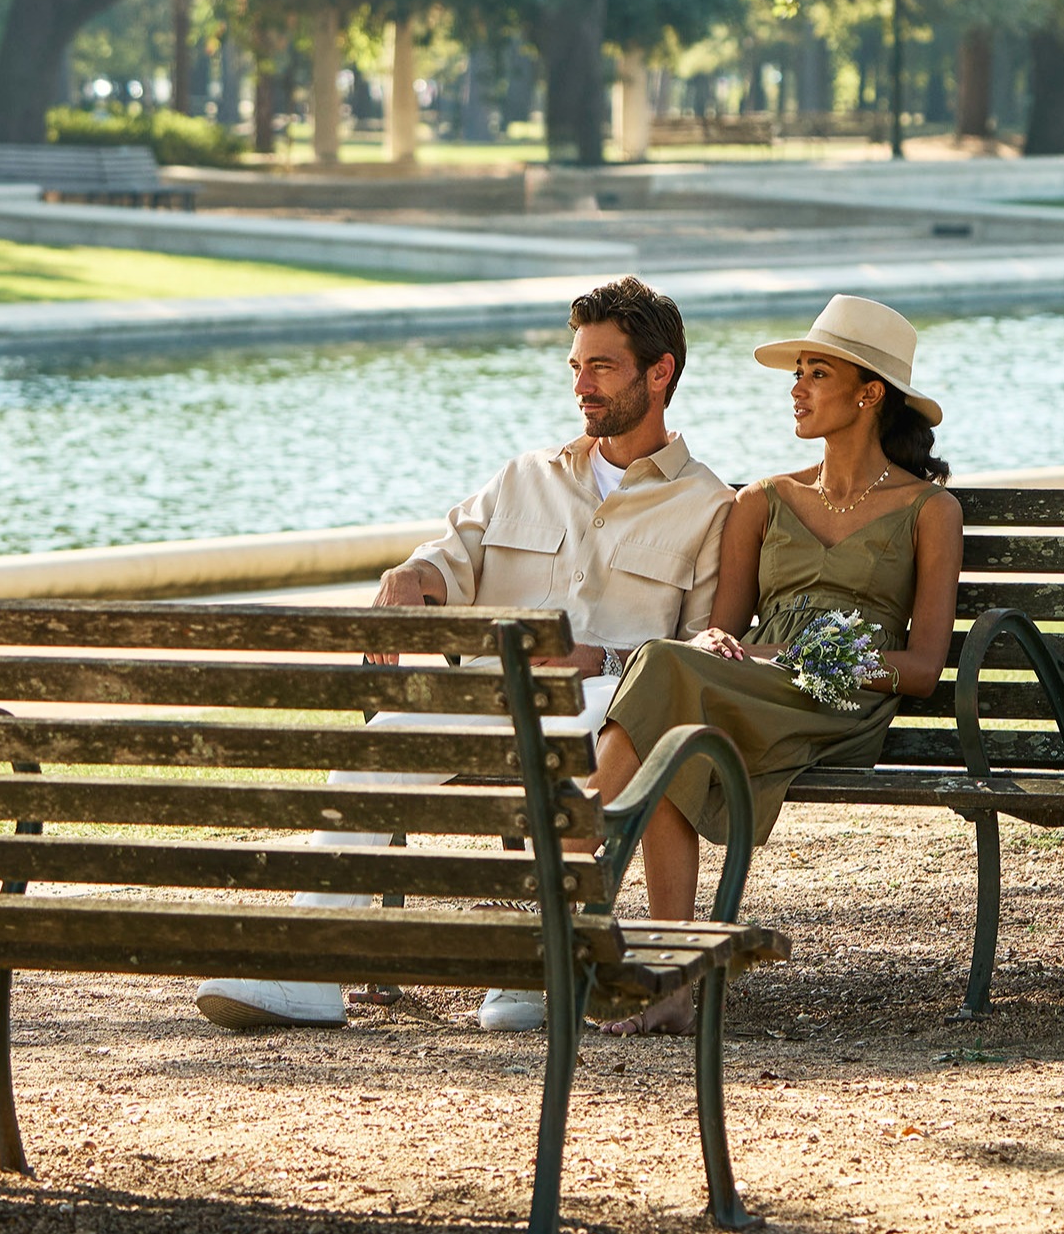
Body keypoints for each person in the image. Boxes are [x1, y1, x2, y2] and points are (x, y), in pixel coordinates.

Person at [195, 275, 732, 1035]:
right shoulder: (524, 476)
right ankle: (307, 966)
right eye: (575, 365)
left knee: (566, 743)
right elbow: (447, 560)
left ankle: (539, 958)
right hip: (494, 690)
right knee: (382, 739)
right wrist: (412, 579)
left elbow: (702, 654)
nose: (580, 384)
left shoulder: (708, 503)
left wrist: (604, 656)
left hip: (611, 704)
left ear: (660, 371)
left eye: (601, 366)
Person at [585, 293, 964, 1035]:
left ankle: (570, 849)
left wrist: (785, 654)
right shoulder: (760, 499)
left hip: (845, 700)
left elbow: (921, 668)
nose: (796, 386)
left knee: (667, 688)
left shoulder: (930, 509)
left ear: (869, 393)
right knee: (672, 705)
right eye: (798, 371)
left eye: (816, 372)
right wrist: (729, 650)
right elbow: (718, 635)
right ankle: (669, 976)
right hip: (750, 682)